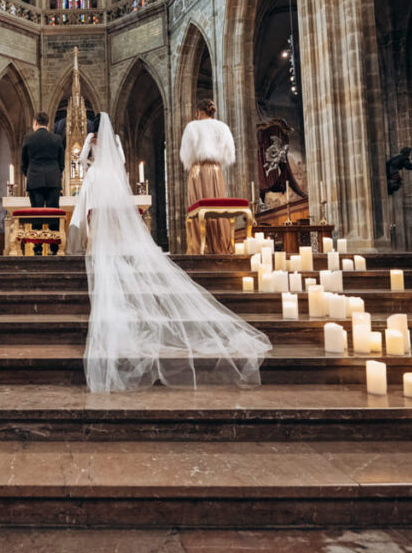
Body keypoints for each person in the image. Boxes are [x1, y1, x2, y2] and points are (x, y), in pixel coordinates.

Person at [84, 113, 270, 392]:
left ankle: (202, 244)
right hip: (208, 172)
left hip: (102, 179)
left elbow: (84, 159)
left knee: (99, 218)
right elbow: (121, 160)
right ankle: (222, 244)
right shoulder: (115, 149)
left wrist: (88, 144)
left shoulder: (97, 145)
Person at [180, 99, 236, 254]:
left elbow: (186, 154)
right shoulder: (222, 127)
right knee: (217, 207)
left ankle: (200, 247)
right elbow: (229, 154)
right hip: (215, 172)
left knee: (198, 209)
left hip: (198, 170)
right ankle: (220, 245)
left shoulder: (192, 127)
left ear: (199, 111)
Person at [67, 120, 124, 255]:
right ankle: (112, 243)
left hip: (95, 175)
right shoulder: (115, 138)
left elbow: (81, 159)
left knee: (91, 208)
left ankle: (90, 243)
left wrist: (89, 167)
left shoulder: (91, 137)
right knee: (110, 210)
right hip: (111, 177)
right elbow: (122, 160)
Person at [20, 112, 64, 255]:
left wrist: (31, 174)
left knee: (37, 213)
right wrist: (55, 175)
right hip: (53, 180)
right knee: (53, 213)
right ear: (48, 123)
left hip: (35, 180)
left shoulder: (28, 139)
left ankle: (37, 248)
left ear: (35, 123)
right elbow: (61, 163)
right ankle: (54, 248)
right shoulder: (57, 139)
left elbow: (23, 163)